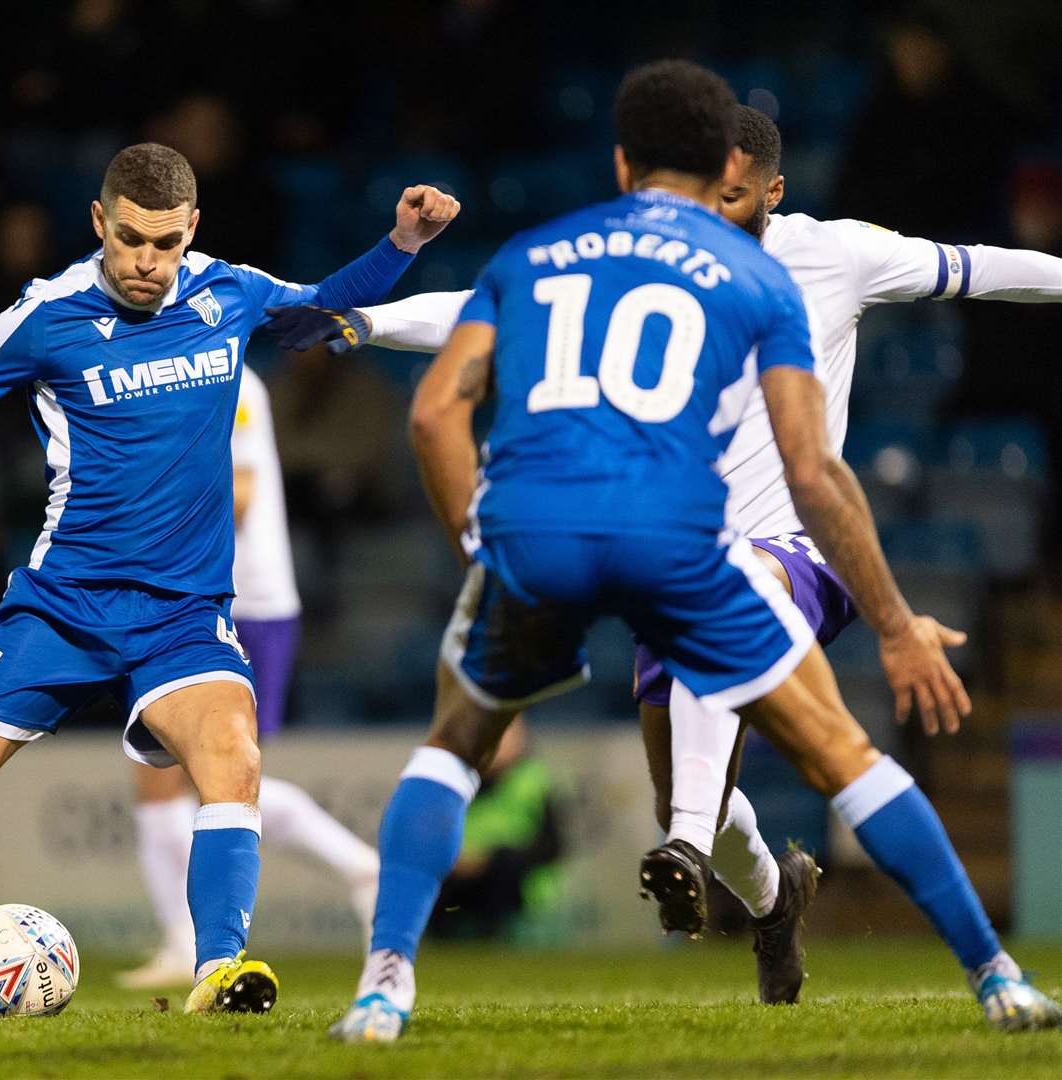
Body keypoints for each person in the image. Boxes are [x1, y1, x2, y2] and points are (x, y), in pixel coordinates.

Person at [310, 58, 1055, 1043]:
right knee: (804, 755)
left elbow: (440, 398)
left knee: (457, 745)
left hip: (648, 538)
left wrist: (475, 545)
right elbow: (818, 465)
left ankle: (404, 979)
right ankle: (827, 915)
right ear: (710, 172)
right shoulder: (747, 278)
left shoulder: (563, 253)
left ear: (622, 163)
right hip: (684, 539)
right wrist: (895, 622)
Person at [0, 142, 459, 1015]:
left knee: (233, 758)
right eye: (132, 239)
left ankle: (218, 968)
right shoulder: (45, 317)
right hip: (61, 611)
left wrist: (400, 243)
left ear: (192, 231)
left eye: (167, 243)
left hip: (182, 615)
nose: (149, 263)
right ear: (100, 221)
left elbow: (326, 309)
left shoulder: (227, 291)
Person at [119, 365, 380, 989]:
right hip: (192, 601)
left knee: (210, 776)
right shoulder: (155, 371)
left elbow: (239, 492)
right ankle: (188, 941)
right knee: (171, 781)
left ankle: (361, 871)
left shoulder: (231, 377)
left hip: (245, 601)